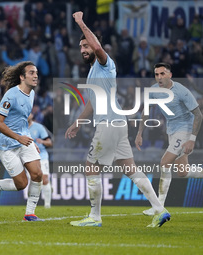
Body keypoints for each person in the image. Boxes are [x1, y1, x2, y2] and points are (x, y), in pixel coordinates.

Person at [65, 12, 170, 228]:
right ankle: (160, 210)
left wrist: (80, 22)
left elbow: (97, 48)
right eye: (81, 47)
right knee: (130, 168)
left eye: (86, 46)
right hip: (118, 124)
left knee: (91, 167)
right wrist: (78, 122)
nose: (84, 50)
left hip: (109, 125)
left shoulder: (105, 63)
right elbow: (92, 103)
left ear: (95, 46)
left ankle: (94, 217)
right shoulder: (94, 72)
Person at [0, 61, 43, 221]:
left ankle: (30, 214)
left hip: (23, 139)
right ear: (22, 77)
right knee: (21, 184)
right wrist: (18, 137)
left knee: (37, 174)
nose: (36, 76)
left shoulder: (31, 94)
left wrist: (29, 139)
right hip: (6, 144)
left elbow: (21, 120)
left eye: (36, 73)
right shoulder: (11, 95)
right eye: (31, 73)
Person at [135, 62, 203, 216]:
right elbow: (146, 111)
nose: (159, 77)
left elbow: (198, 114)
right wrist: (139, 133)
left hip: (185, 128)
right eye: (157, 74)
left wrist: (191, 139)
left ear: (170, 75)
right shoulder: (153, 90)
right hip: (171, 130)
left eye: (162, 74)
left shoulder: (181, 91)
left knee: (165, 163)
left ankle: (158, 207)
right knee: (182, 172)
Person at [28, 113, 53, 208]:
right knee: (32, 182)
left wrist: (42, 142)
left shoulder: (38, 127)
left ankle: (47, 205)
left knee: (45, 179)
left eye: (29, 113)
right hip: (28, 158)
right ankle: (31, 205)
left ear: (32, 116)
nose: (28, 115)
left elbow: (49, 142)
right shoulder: (21, 129)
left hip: (41, 155)